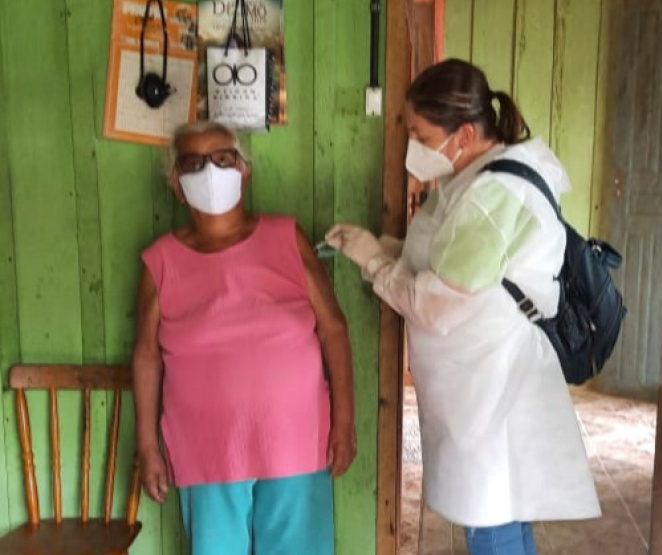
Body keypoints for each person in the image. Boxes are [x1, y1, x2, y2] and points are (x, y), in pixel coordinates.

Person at [325, 59, 600, 555]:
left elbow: (437, 304)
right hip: (480, 380)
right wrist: (383, 247)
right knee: (501, 514)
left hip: (491, 386)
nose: (415, 148)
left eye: (423, 136)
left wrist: (373, 264)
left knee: (490, 520)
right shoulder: (477, 176)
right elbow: (447, 262)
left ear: (466, 132)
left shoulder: (493, 195)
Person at [132, 121, 355, 555]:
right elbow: (145, 356)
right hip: (206, 446)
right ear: (177, 185)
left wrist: (344, 422)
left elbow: (334, 329)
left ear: (244, 171)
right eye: (192, 164)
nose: (209, 172)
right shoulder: (161, 261)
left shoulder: (286, 238)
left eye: (222, 159)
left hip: (295, 437)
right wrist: (147, 446)